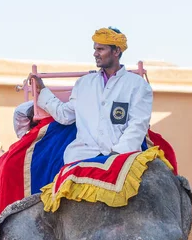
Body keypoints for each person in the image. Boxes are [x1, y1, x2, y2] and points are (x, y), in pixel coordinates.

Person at [29, 27, 153, 164]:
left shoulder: (138, 85)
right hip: (81, 157)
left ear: (116, 51)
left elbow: (138, 124)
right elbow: (65, 115)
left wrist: (118, 153)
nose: (95, 54)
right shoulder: (84, 83)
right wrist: (43, 90)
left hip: (121, 158)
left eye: (100, 49)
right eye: (95, 49)